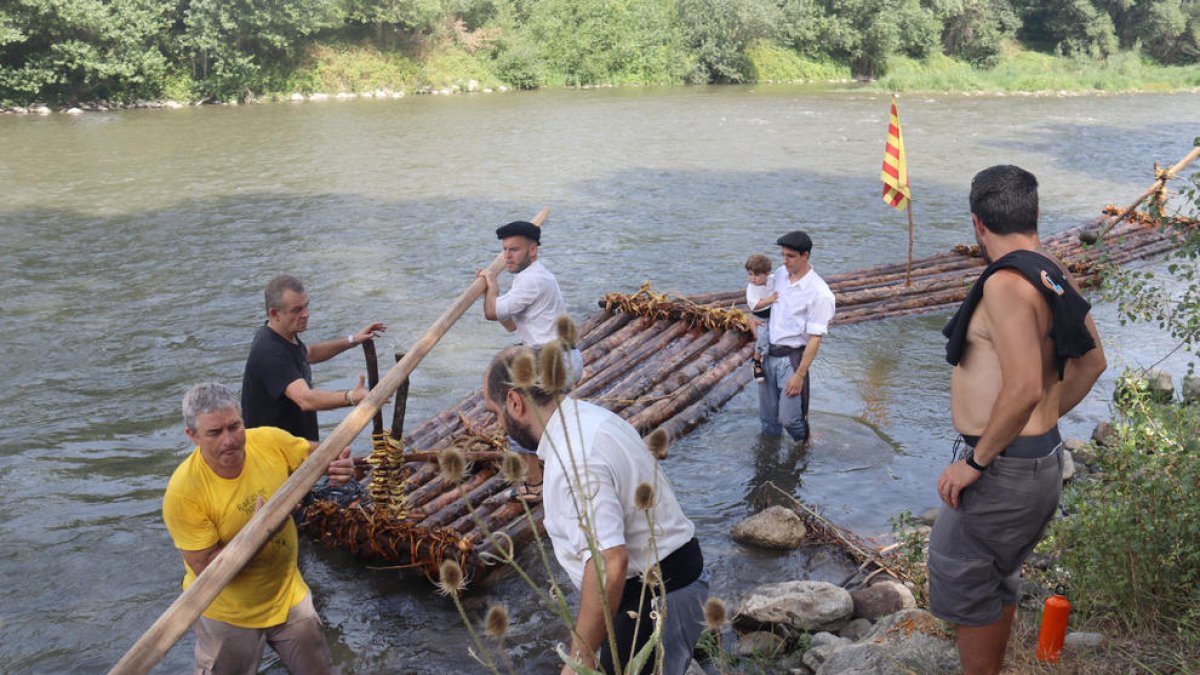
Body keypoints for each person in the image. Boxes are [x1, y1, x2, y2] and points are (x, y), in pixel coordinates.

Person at [928, 165, 1106, 675]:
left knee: (960, 568)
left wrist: (979, 461)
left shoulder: (1006, 284)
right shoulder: (1051, 271)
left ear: (978, 224)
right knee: (993, 575)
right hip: (1037, 458)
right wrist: (1041, 423)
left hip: (1004, 466)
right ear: (1035, 215)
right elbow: (1092, 363)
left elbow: (1025, 385)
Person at [483, 346, 709, 675]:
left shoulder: (574, 458)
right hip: (666, 585)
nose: (497, 424)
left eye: (495, 413)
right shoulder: (591, 418)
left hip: (652, 600)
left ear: (515, 403)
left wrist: (582, 656)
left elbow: (609, 561)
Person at [163, 382, 355, 674]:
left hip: (287, 595)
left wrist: (341, 464)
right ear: (192, 436)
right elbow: (208, 571)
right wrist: (263, 532)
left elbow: (321, 456)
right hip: (228, 614)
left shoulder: (268, 441)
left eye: (234, 426)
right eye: (214, 432)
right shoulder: (184, 492)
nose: (229, 440)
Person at [477, 221, 582, 501]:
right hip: (557, 359)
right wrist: (495, 294)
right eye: (504, 250)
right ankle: (555, 470)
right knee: (544, 419)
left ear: (533, 251)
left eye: (514, 250)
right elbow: (510, 324)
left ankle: (535, 487)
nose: (507, 256)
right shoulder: (527, 278)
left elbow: (491, 312)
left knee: (516, 419)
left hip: (554, 364)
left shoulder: (534, 280)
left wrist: (491, 285)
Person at [241, 274, 386, 441]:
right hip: (277, 458)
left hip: (298, 447)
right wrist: (351, 397)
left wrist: (353, 340)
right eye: (297, 310)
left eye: (306, 306)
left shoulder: (284, 336)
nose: (306, 314)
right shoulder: (270, 352)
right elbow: (306, 399)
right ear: (275, 313)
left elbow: (308, 353)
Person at [757, 231, 836, 443]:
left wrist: (800, 375)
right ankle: (769, 461)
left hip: (791, 359)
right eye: (783, 255)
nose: (784, 261)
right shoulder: (782, 275)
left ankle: (805, 445)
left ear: (805, 255)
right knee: (767, 419)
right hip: (768, 353)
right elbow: (760, 298)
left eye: (790, 256)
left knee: (789, 419)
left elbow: (815, 339)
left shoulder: (820, 293)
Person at [745, 253, 777, 383]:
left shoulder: (773, 279)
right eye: (750, 274)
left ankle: (770, 358)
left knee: (775, 336)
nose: (753, 279)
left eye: (757, 275)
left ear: (767, 273)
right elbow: (755, 306)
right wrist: (770, 299)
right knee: (762, 338)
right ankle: (757, 362)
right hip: (760, 316)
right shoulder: (752, 289)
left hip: (773, 313)